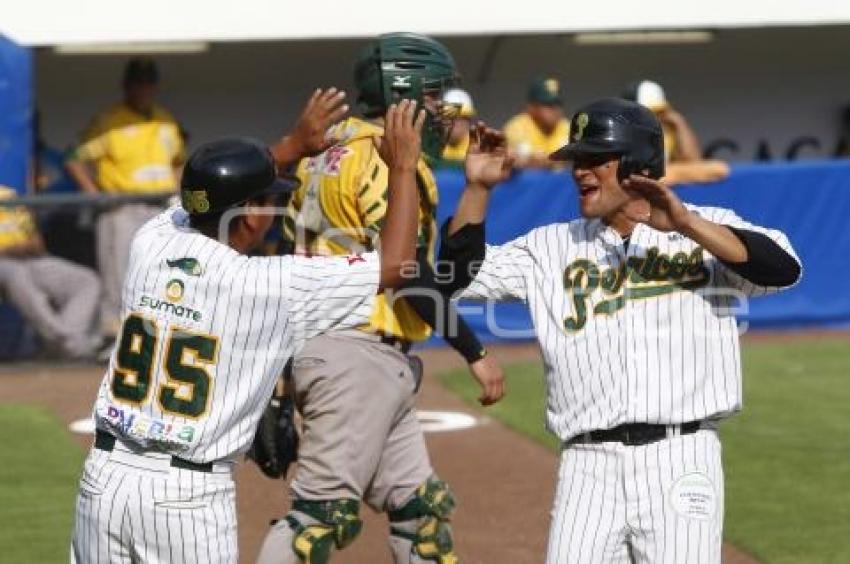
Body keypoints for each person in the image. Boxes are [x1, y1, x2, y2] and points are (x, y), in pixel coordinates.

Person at [439, 98, 801, 563]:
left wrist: (688, 224)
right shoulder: (550, 247)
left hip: (681, 459)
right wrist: (477, 190)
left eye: (594, 159)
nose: (579, 171)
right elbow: (455, 278)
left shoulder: (704, 232)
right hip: (587, 465)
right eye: (577, 160)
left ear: (638, 165)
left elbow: (783, 268)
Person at [70, 91, 426, 563]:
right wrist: (402, 167)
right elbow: (398, 264)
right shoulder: (267, 284)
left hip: (105, 480)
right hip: (186, 499)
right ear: (247, 215)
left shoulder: (151, 241)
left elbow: (200, 198)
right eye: (267, 201)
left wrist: (291, 145)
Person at [257, 33, 508, 564]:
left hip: (352, 351)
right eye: (435, 96)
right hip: (357, 354)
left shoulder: (326, 148)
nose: (445, 110)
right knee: (319, 518)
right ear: (405, 93)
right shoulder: (380, 157)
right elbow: (409, 274)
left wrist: (476, 190)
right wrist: (474, 351)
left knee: (421, 514)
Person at [65, 57, 186, 340]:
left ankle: (153, 334)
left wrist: (181, 195)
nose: (143, 89)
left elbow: (178, 161)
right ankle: (112, 339)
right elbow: (73, 158)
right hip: (122, 207)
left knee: (161, 273)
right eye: (137, 84)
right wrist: (94, 194)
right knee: (118, 276)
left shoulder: (165, 119)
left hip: (163, 207)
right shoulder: (109, 121)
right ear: (126, 86)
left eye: (148, 83)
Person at [0, 187, 102, 359]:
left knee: (86, 280)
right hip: (6, 264)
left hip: (30, 258)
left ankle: (65, 342)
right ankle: (66, 340)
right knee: (18, 276)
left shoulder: (8, 195)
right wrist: (12, 250)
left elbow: (37, 243)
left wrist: (20, 248)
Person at [624, 80, 729, 185]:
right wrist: (687, 173)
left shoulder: (666, 132)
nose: (656, 118)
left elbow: (694, 162)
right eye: (649, 112)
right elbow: (642, 177)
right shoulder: (622, 134)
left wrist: (679, 123)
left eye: (660, 112)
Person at [503, 77, 570, 168]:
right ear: (531, 107)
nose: (555, 109)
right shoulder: (516, 127)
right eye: (548, 104)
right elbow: (515, 162)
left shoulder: (568, 127)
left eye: (558, 104)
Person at [437, 88, 476, 166]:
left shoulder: (479, 153)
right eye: (450, 117)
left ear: (469, 121)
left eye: (461, 118)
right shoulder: (430, 152)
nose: (455, 123)